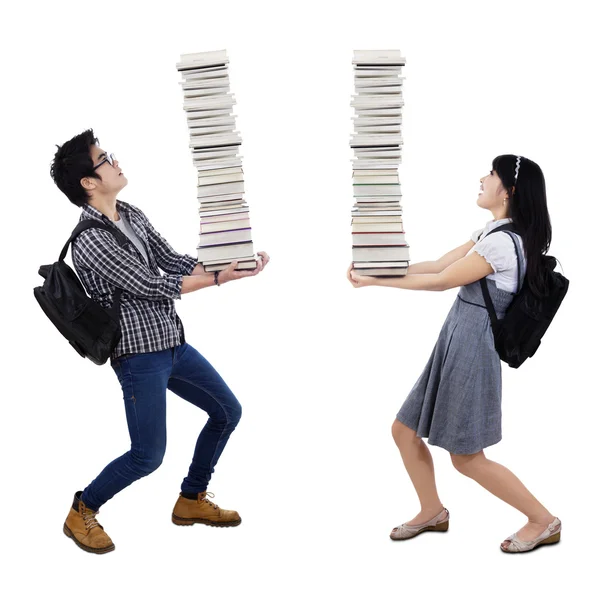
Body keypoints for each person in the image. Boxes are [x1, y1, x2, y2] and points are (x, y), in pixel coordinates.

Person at [50, 129, 269, 554]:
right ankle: (82, 509)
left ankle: (190, 499)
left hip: (172, 343)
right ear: (88, 183)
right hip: (138, 357)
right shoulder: (91, 238)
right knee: (147, 456)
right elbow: (151, 284)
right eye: (104, 158)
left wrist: (231, 261)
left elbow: (170, 260)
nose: (115, 161)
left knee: (227, 411)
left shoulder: (129, 213)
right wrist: (220, 279)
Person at [347, 154, 561, 553]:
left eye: (491, 174)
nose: (483, 178)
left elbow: (442, 281)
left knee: (466, 457)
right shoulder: (491, 231)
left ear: (508, 190)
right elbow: (439, 263)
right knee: (404, 430)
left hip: (473, 344)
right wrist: (378, 267)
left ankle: (542, 520)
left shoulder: (501, 243)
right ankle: (432, 510)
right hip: (457, 336)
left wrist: (375, 281)